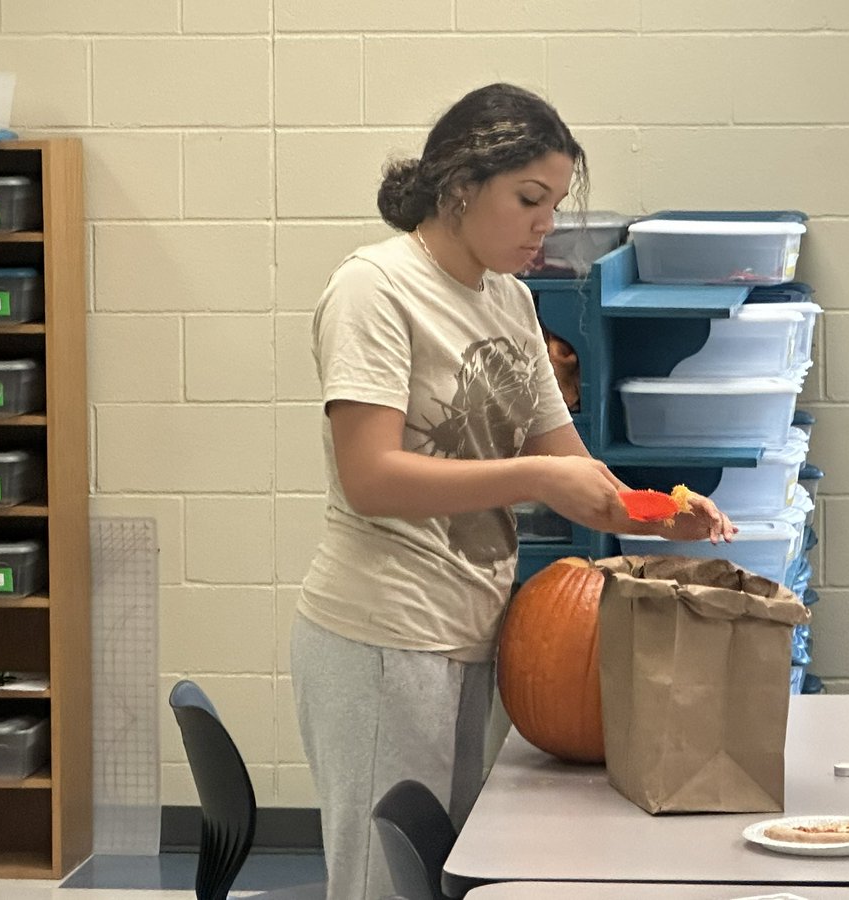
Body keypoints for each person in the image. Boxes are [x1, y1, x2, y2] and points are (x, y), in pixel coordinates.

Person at [291, 82, 735, 900]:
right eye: (529, 199)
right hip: (381, 633)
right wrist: (535, 476)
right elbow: (370, 478)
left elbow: (575, 473)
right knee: (381, 885)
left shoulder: (511, 302)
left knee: (447, 877)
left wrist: (664, 516)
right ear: (460, 186)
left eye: (556, 204)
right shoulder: (375, 289)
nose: (545, 225)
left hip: (471, 630)